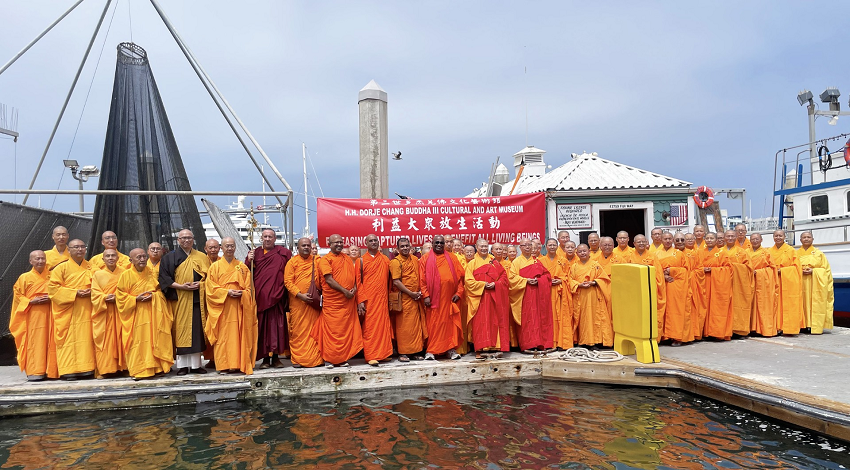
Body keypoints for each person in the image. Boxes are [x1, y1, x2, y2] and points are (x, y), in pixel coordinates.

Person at [116, 248, 174, 380]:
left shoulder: (152, 273)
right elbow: (120, 297)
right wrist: (135, 299)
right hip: (135, 314)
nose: (142, 259)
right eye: (138, 257)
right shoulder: (125, 275)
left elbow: (160, 291)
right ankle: (140, 370)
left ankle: (157, 368)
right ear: (131, 260)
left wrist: (154, 296)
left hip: (153, 312)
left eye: (143, 256)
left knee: (155, 339)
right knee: (137, 342)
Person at [159, 229, 211, 375]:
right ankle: (182, 366)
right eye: (183, 238)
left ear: (193, 239)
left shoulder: (202, 256)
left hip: (197, 299)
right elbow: (164, 278)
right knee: (180, 331)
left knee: (196, 333)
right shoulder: (169, 257)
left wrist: (201, 284)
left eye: (189, 238)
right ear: (178, 240)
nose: (186, 240)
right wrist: (181, 286)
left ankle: (196, 365)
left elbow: (210, 277)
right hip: (180, 299)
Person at [205, 237, 257, 375]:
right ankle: (223, 365)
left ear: (235, 247)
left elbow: (250, 289)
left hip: (239, 306)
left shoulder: (242, 267)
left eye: (232, 246)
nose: (229, 248)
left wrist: (243, 293)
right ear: (221, 248)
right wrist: (227, 292)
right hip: (222, 308)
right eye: (227, 246)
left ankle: (239, 364)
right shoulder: (214, 267)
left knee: (238, 336)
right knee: (223, 337)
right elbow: (210, 290)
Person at [47, 239, 95, 380]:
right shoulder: (60, 268)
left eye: (82, 247)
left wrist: (93, 291)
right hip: (67, 310)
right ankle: (68, 370)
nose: (79, 250)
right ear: (69, 250)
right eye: (76, 247)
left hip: (87, 309)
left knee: (87, 338)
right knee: (68, 340)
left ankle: (88, 368)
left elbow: (102, 285)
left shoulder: (92, 268)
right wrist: (75, 293)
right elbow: (53, 289)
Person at [313, 234, 363, 368]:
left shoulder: (346, 258)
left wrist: (354, 288)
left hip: (347, 302)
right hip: (333, 302)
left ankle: (341, 358)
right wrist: (345, 291)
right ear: (329, 244)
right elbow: (328, 279)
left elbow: (353, 276)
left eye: (341, 242)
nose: (339, 244)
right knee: (332, 331)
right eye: (336, 242)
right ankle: (329, 359)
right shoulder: (325, 260)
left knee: (344, 330)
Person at [246, 228, 292, 369]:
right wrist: (248, 260)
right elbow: (247, 273)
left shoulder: (283, 253)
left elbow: (290, 272)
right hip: (260, 297)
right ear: (261, 238)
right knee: (263, 328)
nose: (267, 239)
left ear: (275, 238)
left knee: (278, 327)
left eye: (270, 236)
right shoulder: (255, 253)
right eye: (265, 236)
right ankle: (265, 359)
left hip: (277, 296)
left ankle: (276, 358)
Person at [10, 250, 58, 381]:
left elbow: (60, 290)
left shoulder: (53, 276)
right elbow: (18, 296)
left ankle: (52, 371)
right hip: (33, 316)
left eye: (43, 258)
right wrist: (30, 301)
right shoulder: (24, 278)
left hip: (51, 314)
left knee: (52, 341)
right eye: (37, 259)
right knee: (34, 342)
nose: (41, 261)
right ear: (31, 261)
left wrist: (52, 297)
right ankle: (35, 371)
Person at [420, 235, 464, 360]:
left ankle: (450, 349)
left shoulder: (452, 258)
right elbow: (422, 280)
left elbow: (461, 279)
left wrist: (459, 293)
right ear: (432, 244)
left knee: (450, 324)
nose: (439, 244)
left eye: (441, 243)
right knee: (433, 324)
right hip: (433, 300)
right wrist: (426, 295)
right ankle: (431, 351)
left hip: (450, 299)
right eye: (437, 242)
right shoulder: (425, 259)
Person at [465, 239, 510, 358]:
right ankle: (481, 348)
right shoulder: (472, 263)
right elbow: (468, 282)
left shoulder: (494, 262)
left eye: (486, 246)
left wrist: (496, 284)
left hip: (494, 296)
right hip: (480, 298)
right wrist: (482, 285)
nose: (484, 248)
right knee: (481, 322)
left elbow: (504, 278)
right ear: (476, 247)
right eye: (481, 246)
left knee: (495, 321)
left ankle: (496, 347)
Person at [283, 237, 323, 368]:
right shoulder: (292, 262)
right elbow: (288, 282)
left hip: (313, 302)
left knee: (315, 330)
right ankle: (298, 359)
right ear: (298, 248)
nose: (306, 247)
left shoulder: (317, 261)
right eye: (303, 245)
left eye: (308, 245)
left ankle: (316, 359)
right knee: (298, 330)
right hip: (298, 303)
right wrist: (300, 295)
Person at [355, 234, 393, 366]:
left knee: (383, 327)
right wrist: (360, 301)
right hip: (369, 300)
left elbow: (390, 280)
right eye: (370, 241)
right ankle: (371, 355)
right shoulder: (361, 261)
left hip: (382, 299)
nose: (373, 242)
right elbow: (358, 283)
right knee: (370, 328)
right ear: (366, 243)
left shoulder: (385, 259)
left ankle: (383, 354)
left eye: (375, 240)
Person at [512, 238, 553, 352]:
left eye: (529, 245)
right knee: (527, 319)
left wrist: (539, 280)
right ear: (520, 248)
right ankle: (528, 345)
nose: (527, 247)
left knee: (538, 319)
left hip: (538, 294)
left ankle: (540, 343)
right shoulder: (516, 262)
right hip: (524, 294)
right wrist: (526, 280)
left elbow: (547, 276)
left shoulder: (537, 261)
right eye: (524, 245)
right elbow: (512, 278)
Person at [90, 249, 126, 377]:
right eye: (108, 256)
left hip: (121, 311)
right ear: (103, 259)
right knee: (105, 339)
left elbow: (129, 289)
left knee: (122, 337)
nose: (110, 258)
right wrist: (105, 297)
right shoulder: (97, 275)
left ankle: (124, 367)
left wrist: (119, 297)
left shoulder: (125, 272)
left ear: (118, 258)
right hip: (104, 313)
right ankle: (106, 369)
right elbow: (94, 294)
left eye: (113, 256)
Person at [390, 237, 426, 362]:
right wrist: (410, 293)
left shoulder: (415, 259)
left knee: (416, 327)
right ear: (397, 249)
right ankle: (403, 352)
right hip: (404, 298)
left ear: (410, 246)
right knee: (404, 327)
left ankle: (416, 352)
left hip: (416, 298)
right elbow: (396, 281)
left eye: (407, 245)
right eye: (402, 246)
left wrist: (419, 292)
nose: (405, 248)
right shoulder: (396, 262)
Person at [568, 244, 612, 347]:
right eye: (580, 251)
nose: (582, 253)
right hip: (580, 296)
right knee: (582, 318)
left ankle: (595, 341)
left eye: (584, 251)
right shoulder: (574, 266)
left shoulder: (596, 265)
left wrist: (594, 282)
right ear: (576, 253)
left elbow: (604, 279)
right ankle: (583, 341)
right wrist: (579, 284)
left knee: (594, 317)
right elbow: (570, 280)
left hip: (593, 295)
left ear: (589, 252)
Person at [656, 232, 691, 345]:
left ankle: (676, 336)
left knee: (676, 310)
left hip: (675, 286)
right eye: (665, 239)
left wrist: (672, 271)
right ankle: (663, 336)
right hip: (661, 285)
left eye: (669, 239)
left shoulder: (679, 254)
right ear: (661, 240)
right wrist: (664, 275)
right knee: (662, 310)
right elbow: (653, 269)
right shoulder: (656, 254)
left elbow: (686, 271)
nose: (667, 241)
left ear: (672, 240)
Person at [797, 231, 833, 334]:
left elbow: (826, 270)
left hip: (815, 283)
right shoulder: (796, 254)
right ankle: (802, 325)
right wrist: (799, 270)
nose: (806, 239)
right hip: (800, 282)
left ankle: (814, 325)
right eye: (804, 237)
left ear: (813, 239)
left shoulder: (819, 254)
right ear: (800, 240)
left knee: (815, 303)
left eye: (808, 237)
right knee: (801, 302)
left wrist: (814, 271)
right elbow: (791, 267)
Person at [702, 233, 733, 340]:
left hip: (718, 285)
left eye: (712, 238)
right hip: (703, 283)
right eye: (707, 238)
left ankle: (717, 332)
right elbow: (694, 267)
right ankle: (705, 332)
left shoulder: (722, 253)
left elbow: (729, 269)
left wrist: (713, 270)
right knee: (704, 307)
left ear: (716, 240)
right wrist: (701, 270)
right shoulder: (699, 252)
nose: (709, 240)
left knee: (717, 308)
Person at [748, 233, 779, 337]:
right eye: (753, 239)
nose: (755, 241)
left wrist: (759, 272)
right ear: (750, 240)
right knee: (750, 304)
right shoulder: (746, 252)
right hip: (749, 282)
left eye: (757, 239)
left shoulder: (766, 253)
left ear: (761, 240)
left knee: (763, 304)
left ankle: (763, 329)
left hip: (763, 283)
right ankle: (750, 328)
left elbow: (772, 268)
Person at [724, 230, 753, 337]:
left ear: (735, 237)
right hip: (723, 283)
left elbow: (749, 268)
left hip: (738, 284)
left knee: (738, 305)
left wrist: (733, 266)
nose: (730, 238)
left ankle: (738, 330)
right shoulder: (720, 251)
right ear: (724, 237)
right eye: (728, 236)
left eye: (732, 236)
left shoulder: (742, 252)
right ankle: (725, 329)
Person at [539, 239, 567, 349]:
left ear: (557, 246)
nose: (552, 247)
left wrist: (561, 280)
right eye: (550, 245)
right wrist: (547, 281)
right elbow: (537, 277)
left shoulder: (563, 260)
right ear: (546, 247)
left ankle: (560, 342)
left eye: (554, 245)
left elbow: (568, 276)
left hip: (559, 292)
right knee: (546, 317)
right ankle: (547, 342)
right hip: (546, 292)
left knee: (560, 316)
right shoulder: (541, 261)